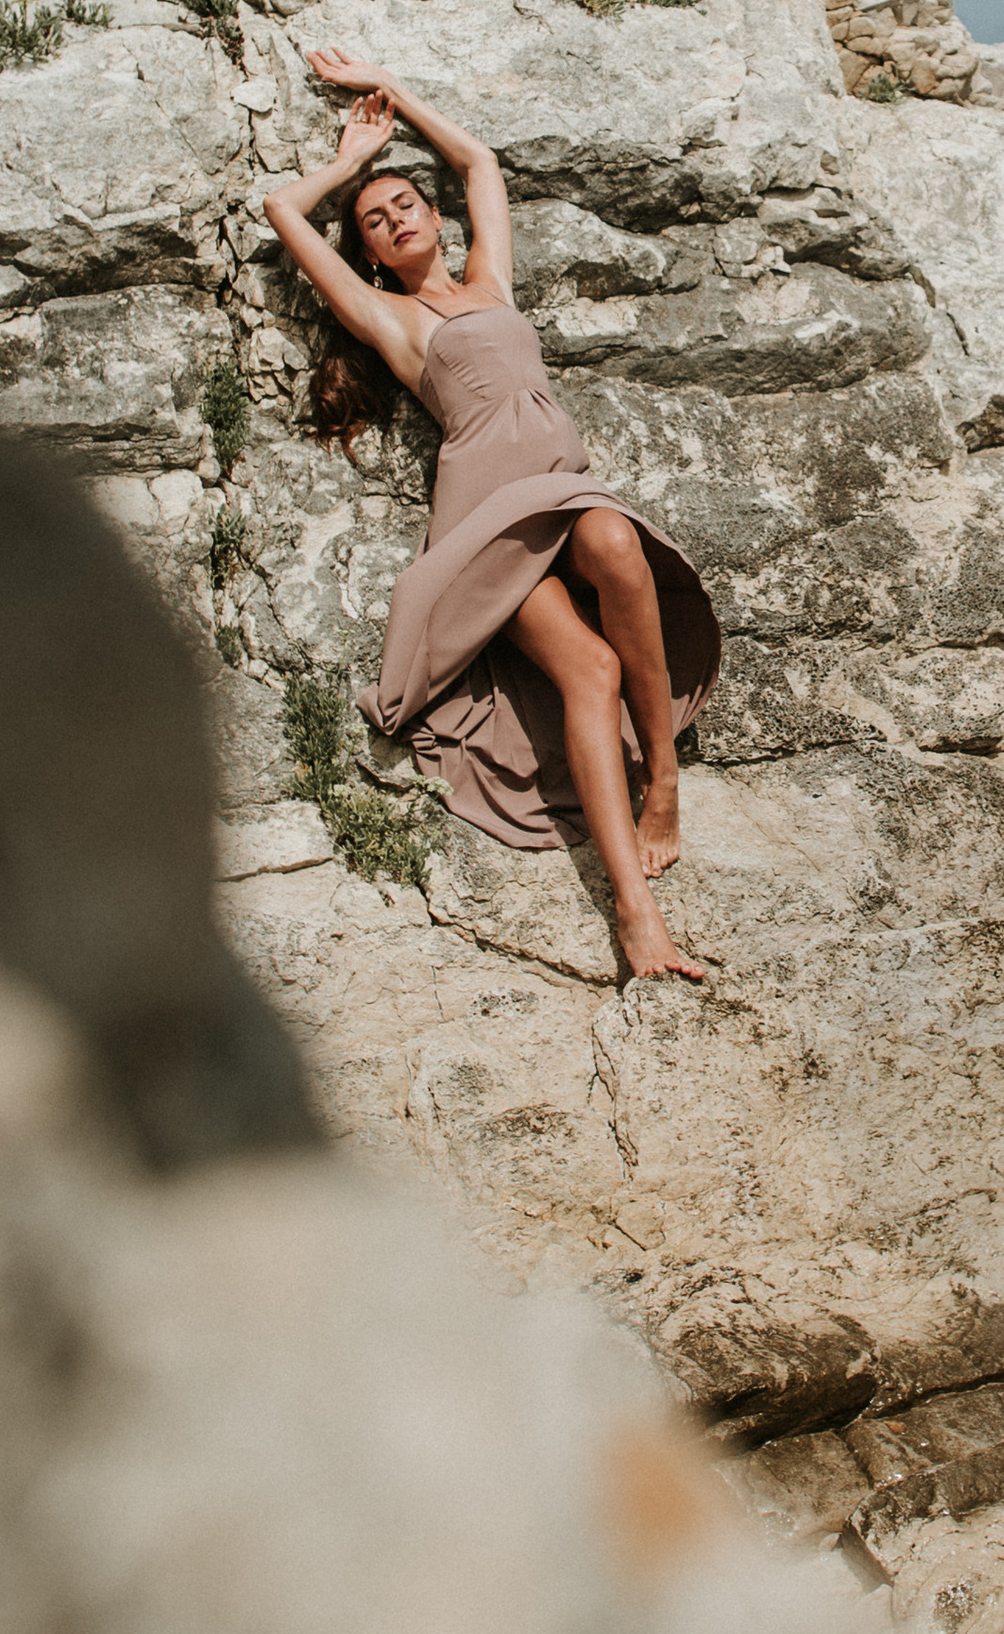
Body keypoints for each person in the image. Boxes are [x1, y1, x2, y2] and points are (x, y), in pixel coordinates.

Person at [260, 48, 720, 986]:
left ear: (433, 218)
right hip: (489, 524)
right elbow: (281, 212)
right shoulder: (389, 319)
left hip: (563, 485)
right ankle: (637, 916)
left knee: (618, 544)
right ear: (376, 253)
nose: (393, 220)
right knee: (588, 670)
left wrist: (389, 90)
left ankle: (661, 778)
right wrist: (351, 163)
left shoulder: (491, 281)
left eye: (404, 204)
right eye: (375, 222)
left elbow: (481, 166)